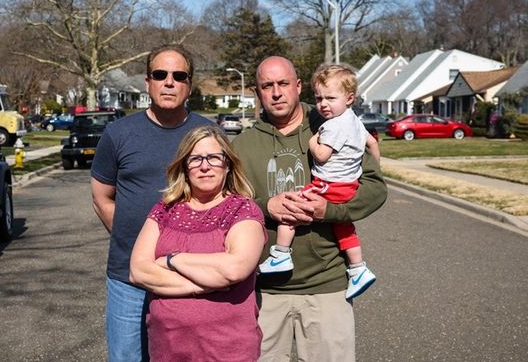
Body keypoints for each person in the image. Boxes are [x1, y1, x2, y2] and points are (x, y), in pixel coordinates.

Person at [231, 56, 387, 362]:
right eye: (267, 86)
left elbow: (375, 188)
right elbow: (226, 207)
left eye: (283, 84)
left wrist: (330, 210)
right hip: (263, 291)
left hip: (326, 286)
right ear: (257, 92)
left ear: (298, 86)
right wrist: (265, 207)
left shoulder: (335, 124)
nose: (276, 92)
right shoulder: (242, 145)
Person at [91, 44, 212, 362]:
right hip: (127, 277)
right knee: (127, 357)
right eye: (160, 74)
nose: (169, 82)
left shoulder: (208, 133)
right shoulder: (118, 133)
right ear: (148, 82)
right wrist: (138, 249)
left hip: (188, 275)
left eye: (178, 75)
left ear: (190, 84)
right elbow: (101, 197)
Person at [129, 125, 267, 361]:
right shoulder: (164, 210)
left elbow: (234, 269)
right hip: (168, 347)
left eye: (213, 157)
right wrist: (202, 285)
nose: (204, 166)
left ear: (228, 164)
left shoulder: (242, 210)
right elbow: (139, 271)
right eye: (195, 159)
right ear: (184, 166)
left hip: (226, 348)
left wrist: (173, 260)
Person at [258, 65, 379, 300]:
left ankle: (280, 255)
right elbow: (372, 144)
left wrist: (314, 141)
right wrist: (370, 165)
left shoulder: (332, 125)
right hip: (348, 185)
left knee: (291, 208)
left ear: (350, 98)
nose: (323, 104)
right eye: (319, 98)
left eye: (330, 98)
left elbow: (322, 155)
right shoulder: (354, 120)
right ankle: (358, 269)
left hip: (328, 184)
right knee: (344, 228)